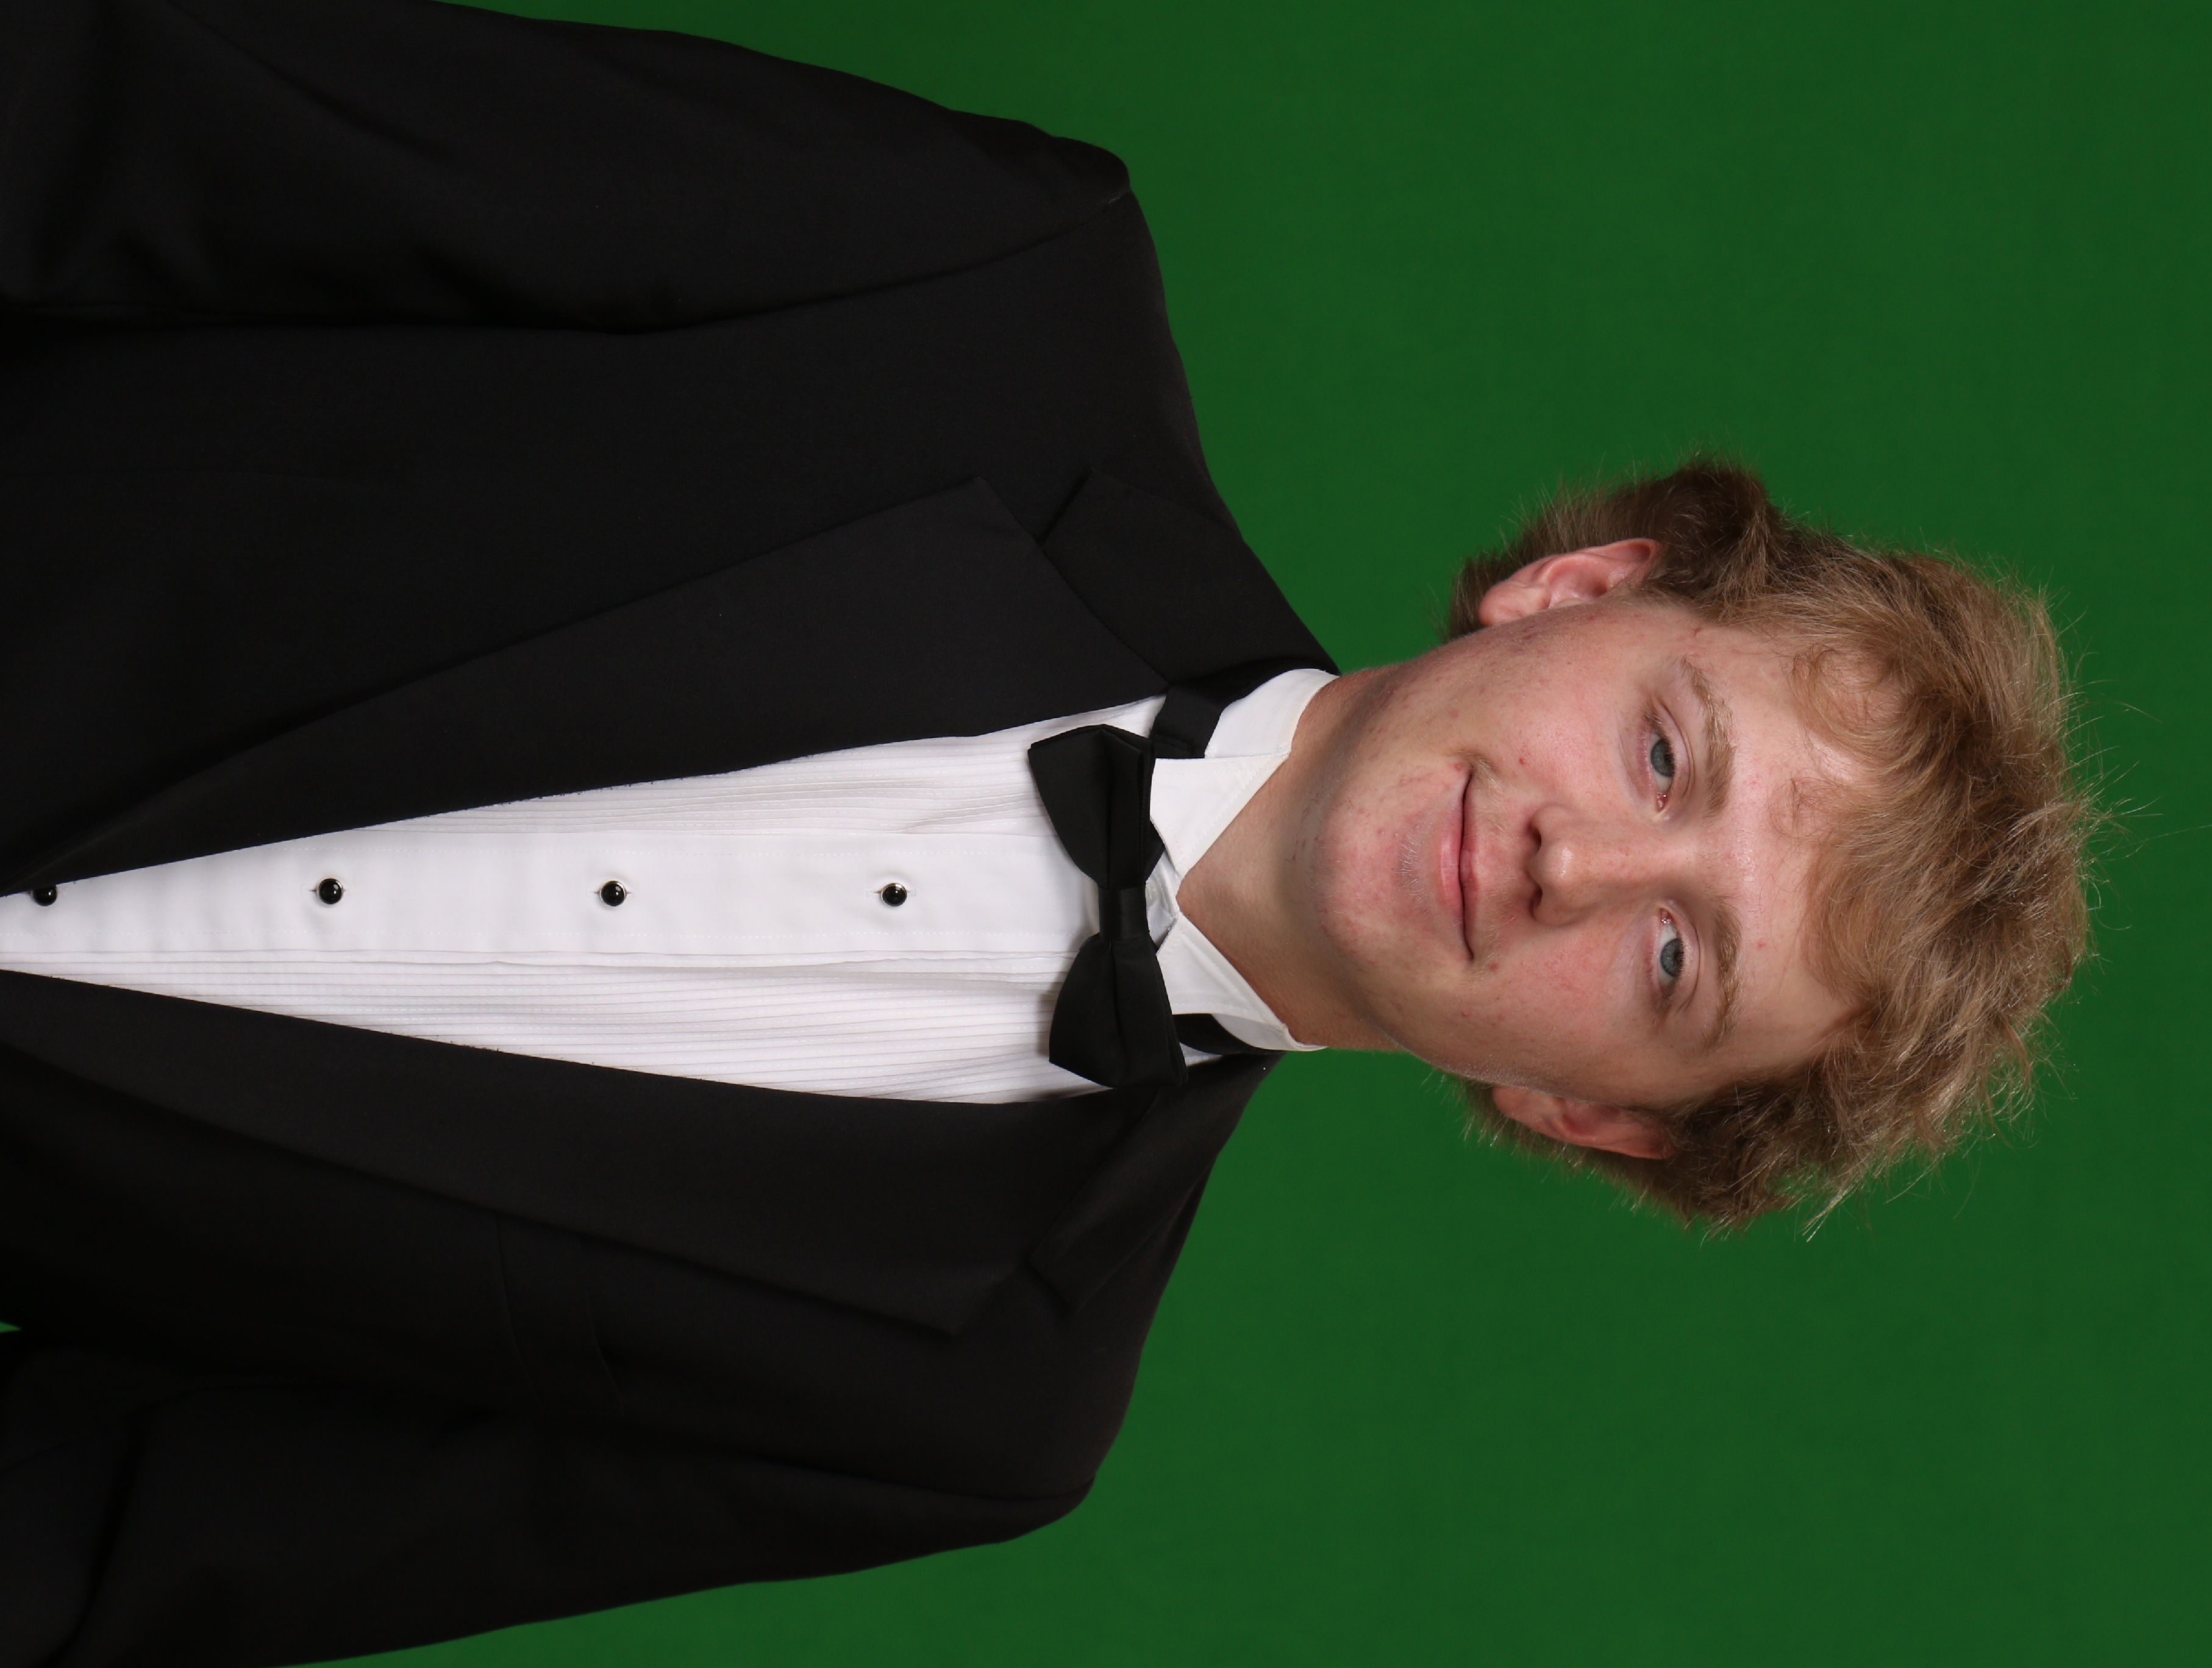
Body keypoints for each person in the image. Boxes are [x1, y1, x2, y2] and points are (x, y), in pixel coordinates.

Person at [0, 0, 2091, 1662]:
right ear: (1584, 589)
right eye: (1663, 759)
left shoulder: (972, 1413)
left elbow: (103, 1541)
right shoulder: (984, 284)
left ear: (1592, 1116)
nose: (1583, 865)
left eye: (1676, 960)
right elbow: (117, 111)